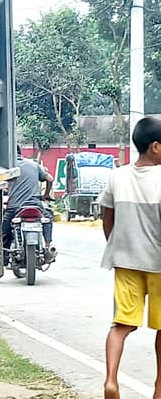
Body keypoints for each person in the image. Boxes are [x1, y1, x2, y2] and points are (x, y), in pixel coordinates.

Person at [98, 117, 161, 399]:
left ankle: (111, 380)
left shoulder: (117, 176)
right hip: (159, 265)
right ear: (156, 147)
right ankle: (159, 388)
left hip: (126, 261)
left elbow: (107, 220)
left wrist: (118, 246)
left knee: (120, 325)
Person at [3, 145, 55, 265]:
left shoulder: (8, 168)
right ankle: (48, 245)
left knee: (5, 231)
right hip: (35, 205)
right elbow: (50, 179)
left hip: (15, 208)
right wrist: (46, 195)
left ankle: (4, 259)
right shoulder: (33, 164)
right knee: (48, 218)